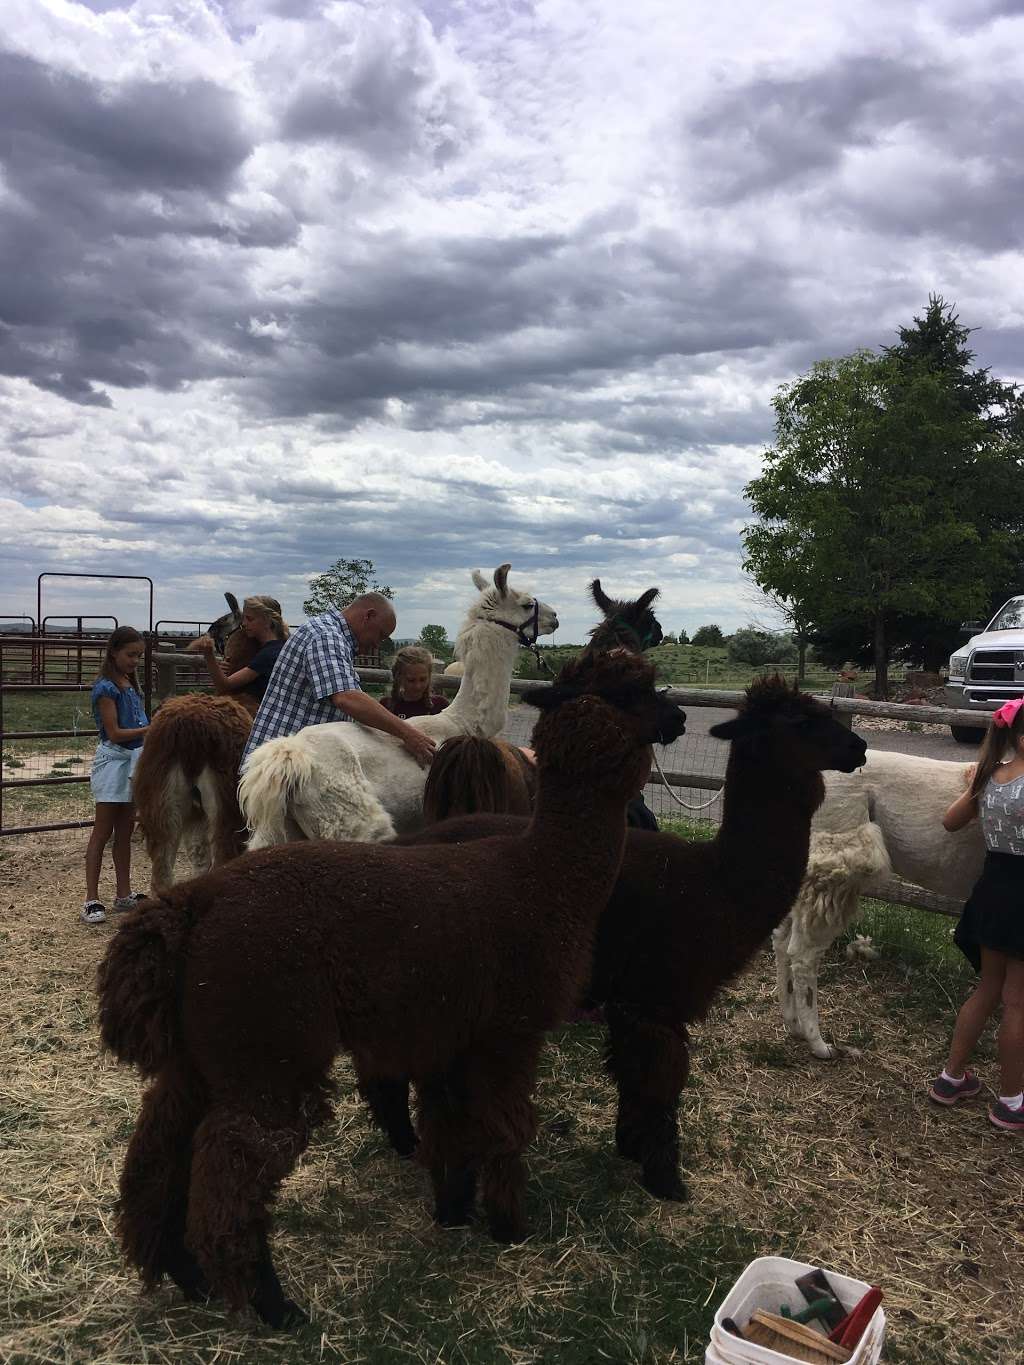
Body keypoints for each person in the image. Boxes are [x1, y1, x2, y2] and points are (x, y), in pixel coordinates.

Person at [928, 698, 1024, 1131]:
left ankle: (951, 1080)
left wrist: (973, 789)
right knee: (1017, 1004)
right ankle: (1010, 1103)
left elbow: (950, 823)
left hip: (992, 893)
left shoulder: (989, 777)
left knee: (986, 990)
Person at [241, 592, 435, 768]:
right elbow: (347, 698)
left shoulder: (329, 634)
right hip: (278, 768)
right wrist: (408, 734)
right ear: (368, 616)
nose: (378, 643)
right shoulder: (326, 637)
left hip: (282, 762)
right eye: (381, 635)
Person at [82, 626, 150, 925]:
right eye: (130, 654)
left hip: (133, 761)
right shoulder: (106, 688)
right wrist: (150, 731)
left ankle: (123, 893)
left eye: (139, 656)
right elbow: (114, 733)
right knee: (103, 831)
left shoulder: (128, 683)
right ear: (114, 651)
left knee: (124, 832)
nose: (135, 661)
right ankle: (91, 899)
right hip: (114, 763)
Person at [197, 595, 289, 713]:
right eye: (244, 619)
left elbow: (224, 685)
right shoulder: (274, 647)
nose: (244, 624)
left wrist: (208, 655)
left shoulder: (269, 654)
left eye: (250, 619)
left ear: (267, 621)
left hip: (258, 714)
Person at [380, 645, 451, 720]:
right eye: (411, 680)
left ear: (429, 676)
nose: (418, 686)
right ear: (399, 677)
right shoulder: (385, 706)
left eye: (423, 679)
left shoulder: (440, 706)